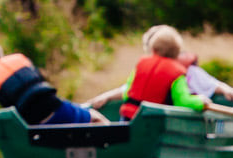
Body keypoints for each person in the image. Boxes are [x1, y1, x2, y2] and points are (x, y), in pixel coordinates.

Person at [85, 26, 213, 119]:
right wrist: (200, 101)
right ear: (177, 53)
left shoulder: (141, 65)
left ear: (153, 49)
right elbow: (182, 102)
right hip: (151, 123)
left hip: (128, 118)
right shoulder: (177, 74)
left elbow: (128, 92)